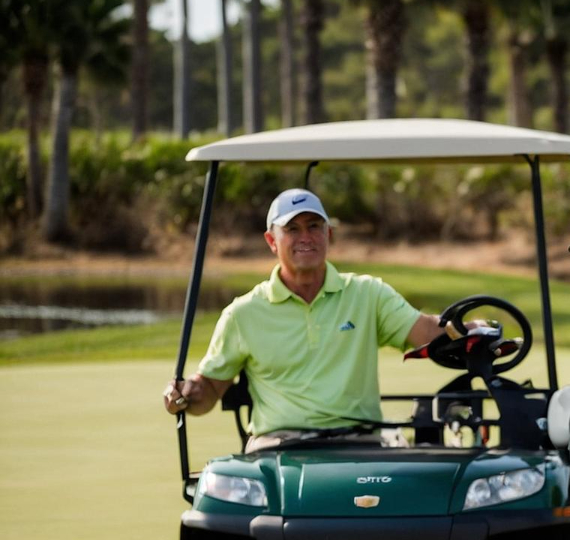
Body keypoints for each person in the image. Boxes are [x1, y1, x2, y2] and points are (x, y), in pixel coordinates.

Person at [161, 188, 463, 451]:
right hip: (278, 446)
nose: (306, 237)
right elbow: (210, 391)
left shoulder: (368, 294)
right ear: (271, 241)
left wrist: (467, 330)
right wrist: (187, 395)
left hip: (360, 443)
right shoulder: (242, 314)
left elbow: (426, 332)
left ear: (328, 234)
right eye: (292, 229)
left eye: (314, 226)